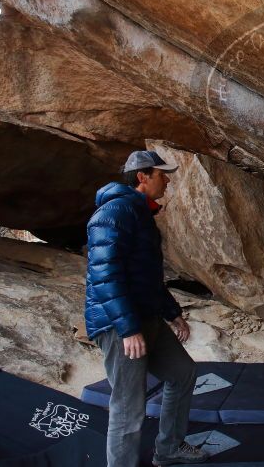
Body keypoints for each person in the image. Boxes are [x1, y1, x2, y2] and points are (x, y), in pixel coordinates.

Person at [84, 150, 209, 467]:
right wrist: (128, 329)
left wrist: (172, 312)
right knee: (128, 405)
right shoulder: (113, 213)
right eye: (161, 174)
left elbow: (147, 276)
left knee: (182, 373)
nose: (167, 180)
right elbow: (105, 276)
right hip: (120, 326)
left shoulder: (139, 213)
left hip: (146, 317)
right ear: (142, 177)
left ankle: (168, 449)